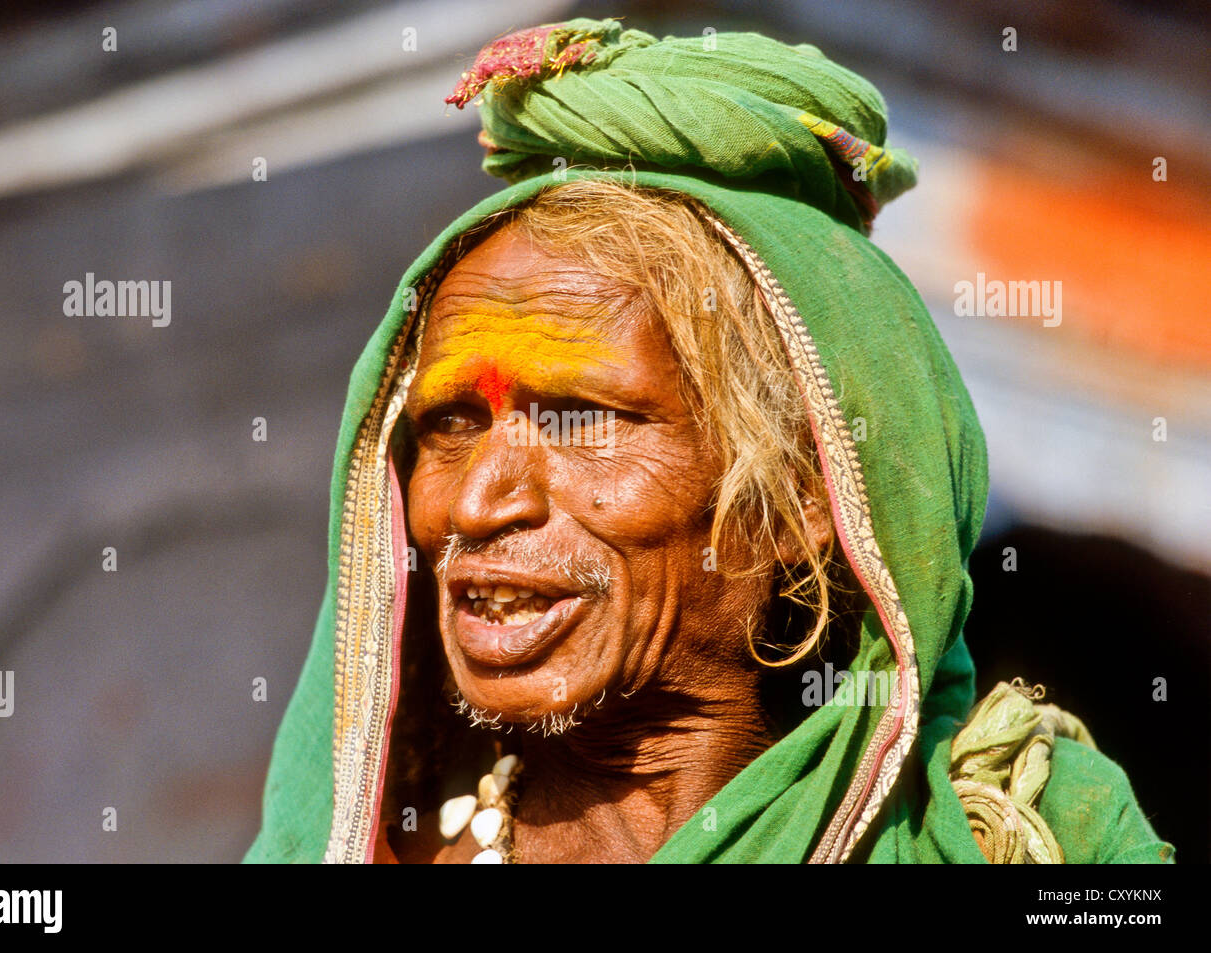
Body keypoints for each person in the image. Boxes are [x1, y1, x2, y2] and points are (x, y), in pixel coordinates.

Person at [245, 19, 1173, 864]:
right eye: (450, 424)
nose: (478, 504)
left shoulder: (1031, 841)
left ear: (809, 490)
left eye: (586, 419)